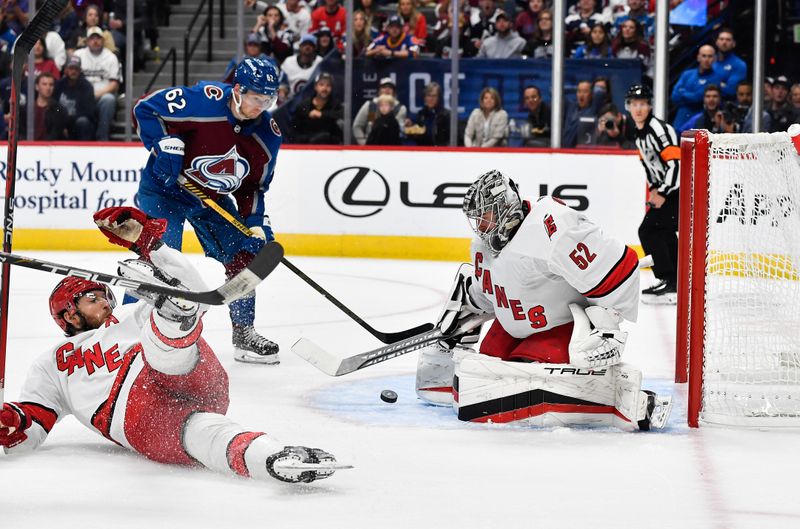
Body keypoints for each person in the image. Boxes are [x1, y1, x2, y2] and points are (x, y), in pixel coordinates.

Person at [0, 206, 341, 485]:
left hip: (188, 372)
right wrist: (10, 423)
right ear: (69, 315)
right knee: (202, 434)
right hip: (136, 415)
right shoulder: (52, 363)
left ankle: (174, 315)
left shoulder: (134, 313)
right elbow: (33, 423)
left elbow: (200, 294)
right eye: (91, 298)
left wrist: (150, 244)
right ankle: (274, 458)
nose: (105, 300)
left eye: (104, 293)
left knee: (161, 329)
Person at [414, 170, 672, 430]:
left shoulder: (551, 227)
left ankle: (622, 395)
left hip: (561, 325)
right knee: (486, 368)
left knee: (516, 378)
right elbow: (486, 294)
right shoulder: (482, 246)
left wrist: (606, 327)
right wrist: (457, 327)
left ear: (506, 206)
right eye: (478, 220)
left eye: (487, 216)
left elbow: (619, 269)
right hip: (516, 324)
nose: (482, 227)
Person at [132, 57, 283, 364]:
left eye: (269, 99)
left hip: (209, 198)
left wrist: (254, 222)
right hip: (163, 190)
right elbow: (145, 109)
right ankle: (130, 335)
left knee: (245, 255)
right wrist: (162, 143)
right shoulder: (203, 102)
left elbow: (252, 187)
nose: (262, 106)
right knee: (161, 261)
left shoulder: (267, 135)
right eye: (257, 98)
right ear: (238, 90)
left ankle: (244, 334)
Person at [627, 84, 680, 304]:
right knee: (663, 231)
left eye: (643, 104)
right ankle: (675, 281)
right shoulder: (639, 133)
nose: (638, 109)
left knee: (648, 230)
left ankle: (669, 279)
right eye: (634, 104)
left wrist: (664, 191)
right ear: (628, 107)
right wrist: (654, 189)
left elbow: (677, 164)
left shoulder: (658, 129)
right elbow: (649, 165)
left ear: (649, 106)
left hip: (677, 189)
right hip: (666, 189)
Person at [73, 27, 121, 141]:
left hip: (102, 95)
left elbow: (114, 84)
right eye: (92, 38)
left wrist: (96, 94)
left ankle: (102, 138)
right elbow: (71, 77)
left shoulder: (111, 57)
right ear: (87, 41)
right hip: (81, 95)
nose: (95, 41)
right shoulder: (78, 54)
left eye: (98, 38)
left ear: (103, 40)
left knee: (109, 99)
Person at [670, 44, 724, 132]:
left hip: (700, 123)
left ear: (714, 59)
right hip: (680, 122)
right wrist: (692, 95)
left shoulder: (716, 78)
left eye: (710, 56)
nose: (706, 59)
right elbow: (674, 96)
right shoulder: (687, 74)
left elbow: (698, 97)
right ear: (698, 57)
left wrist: (683, 93)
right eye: (704, 56)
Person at [291, 72, 343, 144]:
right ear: (315, 87)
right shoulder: (304, 106)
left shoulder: (335, 105)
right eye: (321, 85)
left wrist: (322, 114)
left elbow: (342, 115)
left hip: (330, 146)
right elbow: (295, 129)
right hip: (306, 147)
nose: (325, 88)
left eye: (328, 85)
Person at [352, 77, 408, 145]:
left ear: (394, 92)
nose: (387, 90)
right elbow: (357, 126)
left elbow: (400, 132)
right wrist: (364, 145)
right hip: (370, 147)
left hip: (391, 147)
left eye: (390, 87)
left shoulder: (400, 108)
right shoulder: (370, 106)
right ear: (379, 91)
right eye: (384, 87)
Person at [54, 55, 97, 141]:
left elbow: (88, 112)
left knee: (83, 121)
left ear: (80, 70)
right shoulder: (59, 84)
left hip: (77, 123)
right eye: (71, 68)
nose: (73, 71)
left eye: (76, 69)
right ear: (66, 69)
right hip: (62, 122)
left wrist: (67, 121)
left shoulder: (87, 86)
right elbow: (54, 106)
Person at [18, 73, 70, 141]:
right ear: (37, 86)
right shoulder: (25, 109)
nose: (48, 88)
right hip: (29, 147)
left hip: (51, 148)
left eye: (51, 85)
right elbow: (22, 133)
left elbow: (55, 133)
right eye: (44, 84)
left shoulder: (58, 109)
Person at [404, 81, 450, 147]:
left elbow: (451, 140)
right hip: (424, 153)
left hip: (440, 153)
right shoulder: (421, 114)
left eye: (434, 96)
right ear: (425, 98)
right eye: (428, 95)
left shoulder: (446, 115)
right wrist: (410, 129)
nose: (430, 99)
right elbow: (417, 138)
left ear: (439, 98)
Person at [713, 28, 746, 100]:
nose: (724, 42)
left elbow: (731, 90)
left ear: (733, 44)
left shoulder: (739, 65)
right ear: (717, 42)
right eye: (721, 39)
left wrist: (710, 80)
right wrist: (721, 84)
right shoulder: (709, 60)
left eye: (728, 40)